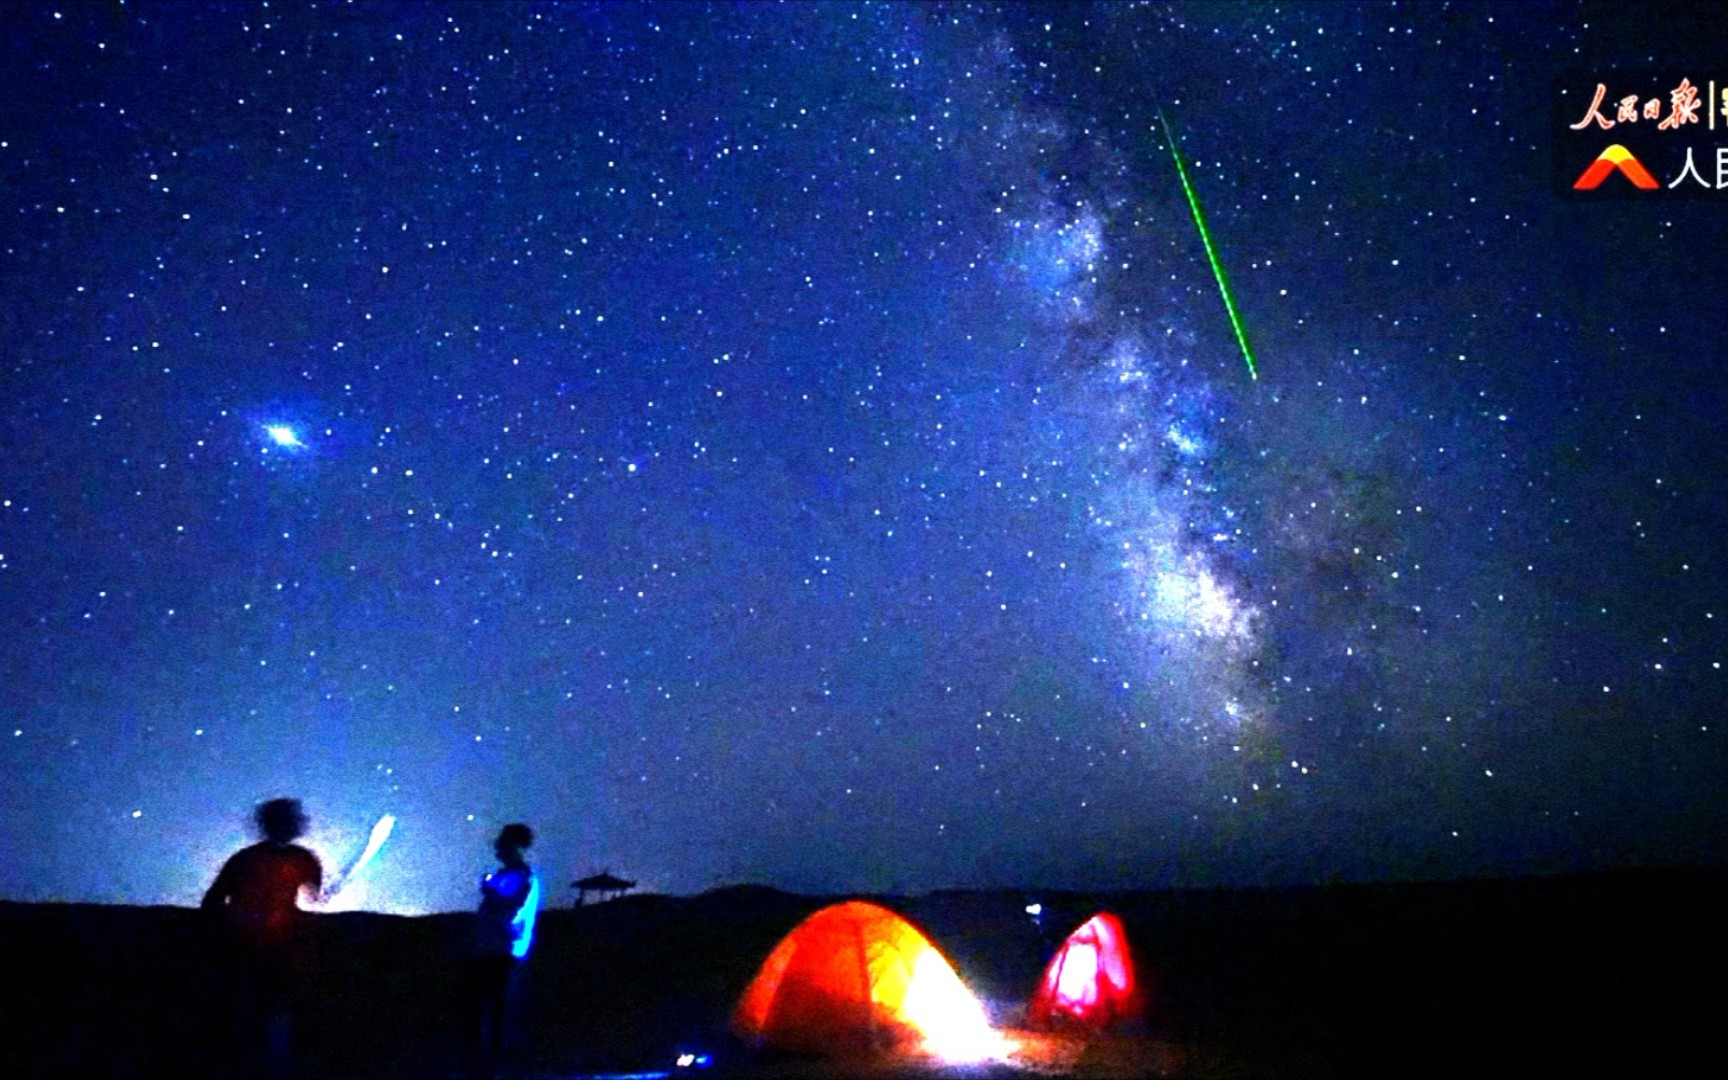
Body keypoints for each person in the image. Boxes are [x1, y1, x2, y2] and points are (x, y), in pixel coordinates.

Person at [202, 797, 324, 1079]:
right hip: (258, 953)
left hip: (255, 951)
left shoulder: (248, 858)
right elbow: (315, 898)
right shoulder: (300, 859)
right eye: (294, 818)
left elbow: (213, 900)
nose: (300, 822)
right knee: (264, 1019)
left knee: (257, 1021)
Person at [465, 822, 540, 1080]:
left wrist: (491, 893)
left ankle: (492, 1070)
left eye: (503, 843)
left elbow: (510, 911)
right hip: (488, 951)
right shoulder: (508, 876)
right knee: (485, 1013)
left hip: (502, 953)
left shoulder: (522, 877)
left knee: (496, 1014)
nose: (498, 848)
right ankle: (484, 1068)